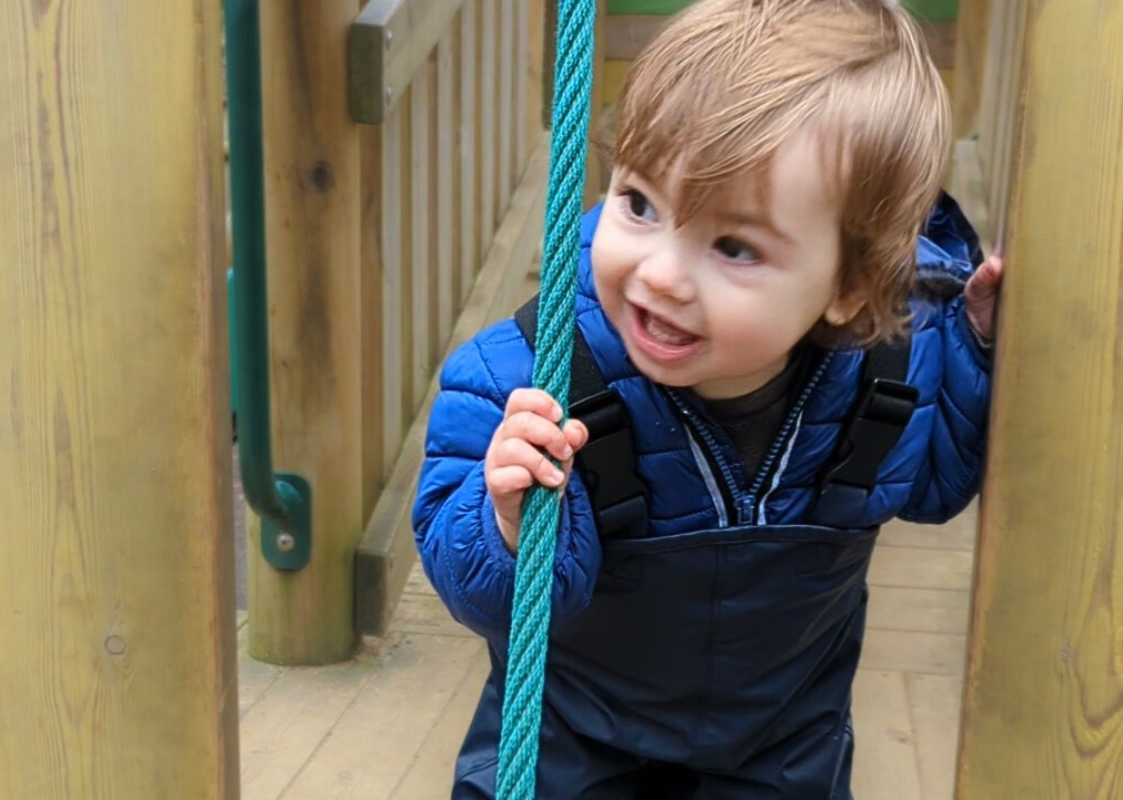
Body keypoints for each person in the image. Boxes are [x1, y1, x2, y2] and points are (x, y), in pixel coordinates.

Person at [412, 0, 1004, 797]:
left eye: (732, 246)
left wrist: (975, 349)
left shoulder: (893, 368)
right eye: (640, 204)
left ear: (850, 287)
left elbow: (934, 485)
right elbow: (487, 598)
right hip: (572, 737)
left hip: (780, 744)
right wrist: (508, 525)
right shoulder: (528, 377)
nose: (659, 272)